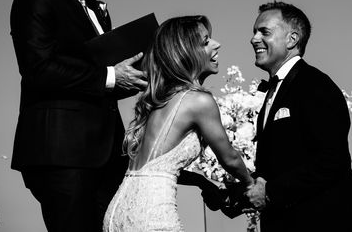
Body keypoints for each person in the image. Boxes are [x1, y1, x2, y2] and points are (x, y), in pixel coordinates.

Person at [9, 0, 146, 231]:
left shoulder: (97, 8)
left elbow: (96, 78)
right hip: (63, 154)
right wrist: (111, 77)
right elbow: (38, 69)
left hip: (106, 155)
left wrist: (136, 76)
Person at [103, 15, 254, 231]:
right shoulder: (199, 101)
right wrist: (250, 184)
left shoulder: (159, 101)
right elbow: (229, 158)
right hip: (152, 214)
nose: (216, 44)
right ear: (185, 53)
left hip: (117, 212)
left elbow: (155, 169)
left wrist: (202, 182)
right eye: (205, 41)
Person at [245, 1, 352, 231]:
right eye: (254, 32)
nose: (254, 39)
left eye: (264, 32)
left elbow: (332, 160)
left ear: (292, 39)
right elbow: (281, 165)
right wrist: (241, 194)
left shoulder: (315, 85)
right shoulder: (273, 93)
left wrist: (270, 192)